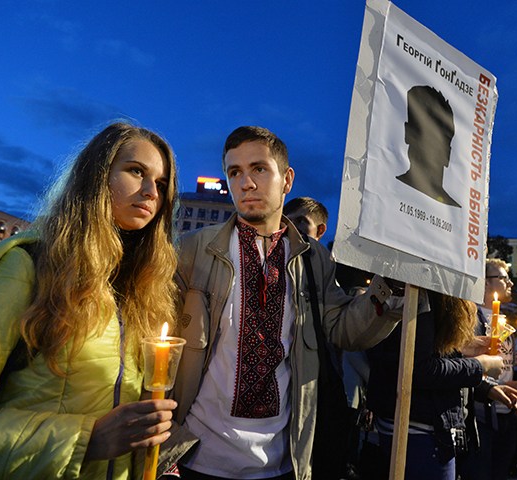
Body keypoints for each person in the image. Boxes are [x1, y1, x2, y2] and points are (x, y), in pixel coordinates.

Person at [0, 122, 180, 479]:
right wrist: (84, 441)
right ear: (95, 176)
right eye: (136, 171)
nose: (151, 191)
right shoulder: (23, 268)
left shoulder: (141, 287)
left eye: (162, 183)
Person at [159, 126, 403, 479]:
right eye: (235, 172)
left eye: (259, 169)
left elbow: (344, 330)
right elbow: (155, 349)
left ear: (287, 179)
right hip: (196, 459)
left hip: (282, 463)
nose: (246, 183)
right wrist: (163, 452)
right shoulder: (193, 250)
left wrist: (389, 284)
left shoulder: (313, 258)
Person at [366, 289, 517, 480]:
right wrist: (480, 365)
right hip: (418, 429)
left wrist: (481, 381)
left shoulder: (432, 297)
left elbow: (433, 351)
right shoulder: (422, 295)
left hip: (425, 423)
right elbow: (419, 368)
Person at [459, 259, 517, 480]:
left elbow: (509, 362)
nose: (510, 282)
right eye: (503, 277)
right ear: (485, 282)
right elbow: (464, 366)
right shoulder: (468, 319)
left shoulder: (504, 321)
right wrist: (503, 386)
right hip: (480, 415)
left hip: (507, 413)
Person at [395, 85, 460, 207]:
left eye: (437, 140)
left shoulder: (457, 215)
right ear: (407, 133)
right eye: (422, 132)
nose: (429, 147)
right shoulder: (385, 190)